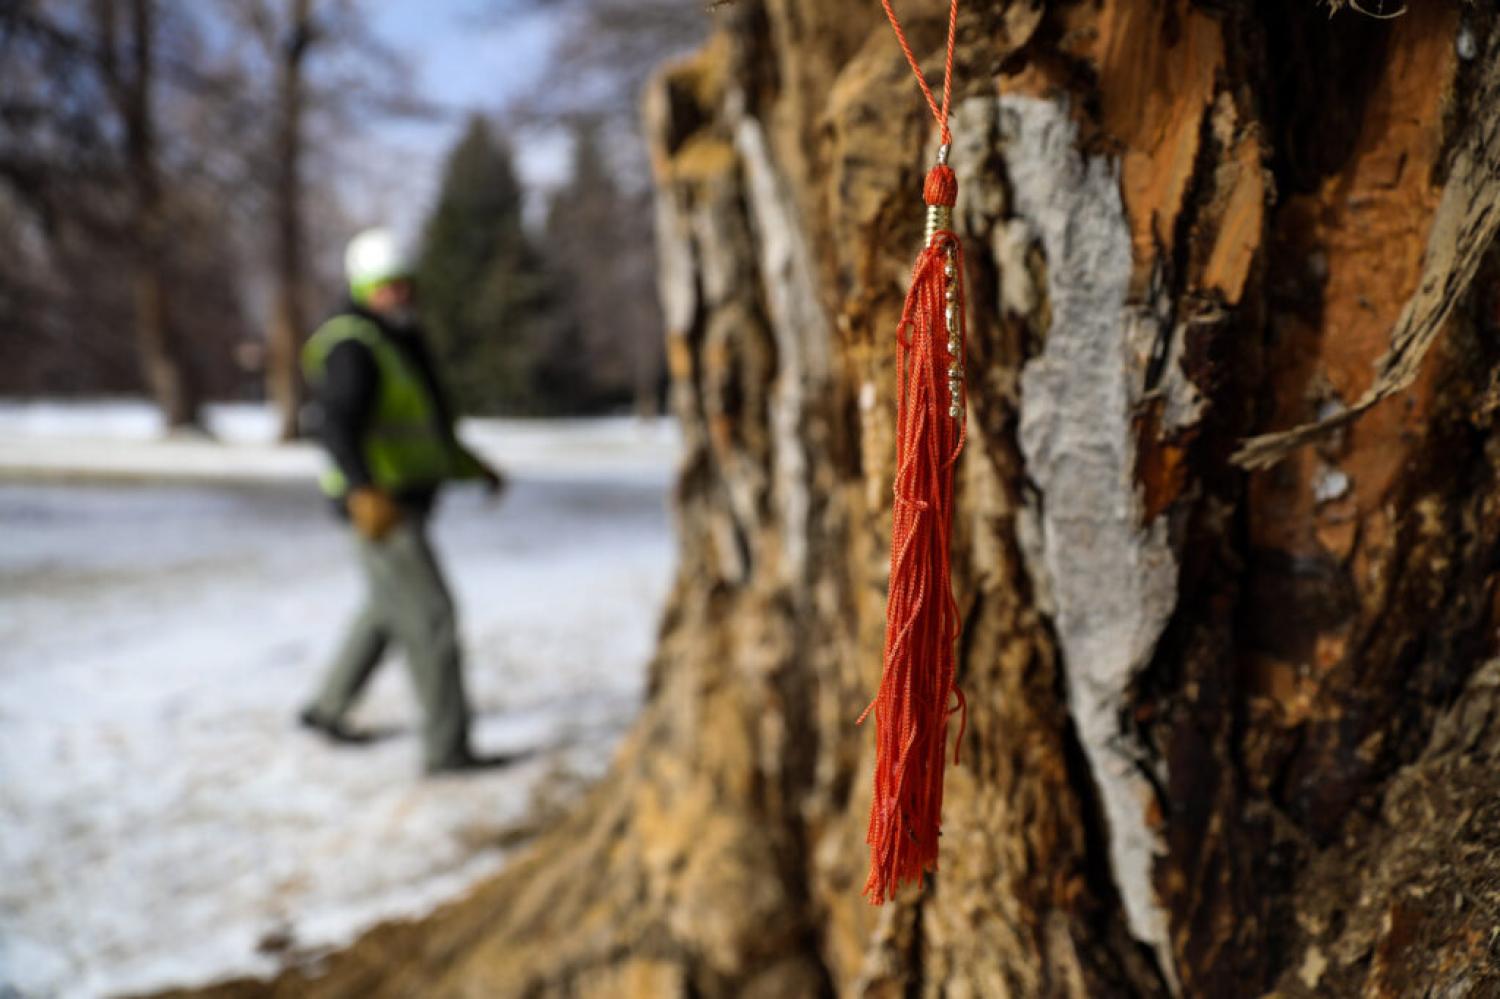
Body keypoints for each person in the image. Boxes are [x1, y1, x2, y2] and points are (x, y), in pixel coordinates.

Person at [298, 226, 505, 775]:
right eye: (386, 286)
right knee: (431, 617)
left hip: (405, 499)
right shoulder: (353, 344)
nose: (398, 295)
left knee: (387, 611)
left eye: (403, 284)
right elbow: (334, 425)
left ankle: (326, 709)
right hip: (380, 509)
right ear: (363, 287)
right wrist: (363, 489)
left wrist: (473, 466)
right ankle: (448, 750)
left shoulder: (397, 339)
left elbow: (424, 427)